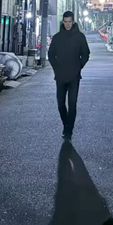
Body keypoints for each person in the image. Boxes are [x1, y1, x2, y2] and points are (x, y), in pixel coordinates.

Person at [48, 10, 90, 141]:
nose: (67, 24)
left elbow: (86, 54)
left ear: (73, 21)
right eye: (65, 22)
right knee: (61, 104)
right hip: (60, 76)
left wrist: (79, 66)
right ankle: (66, 124)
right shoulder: (57, 38)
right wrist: (56, 68)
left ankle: (69, 130)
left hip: (74, 77)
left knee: (72, 104)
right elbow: (50, 55)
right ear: (63, 22)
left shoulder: (80, 37)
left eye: (69, 22)